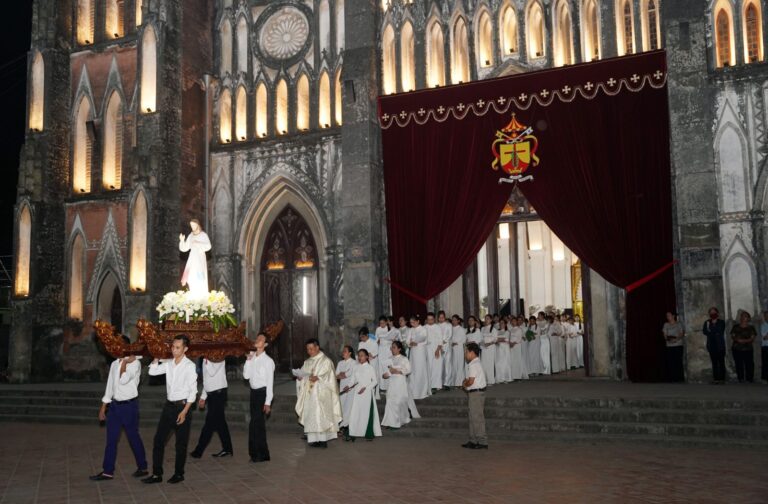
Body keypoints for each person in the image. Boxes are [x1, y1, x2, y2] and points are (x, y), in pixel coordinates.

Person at [143, 335, 197, 484]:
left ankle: (179, 474)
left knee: (180, 443)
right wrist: (156, 357)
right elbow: (152, 372)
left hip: (182, 406)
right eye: (173, 347)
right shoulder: (169, 363)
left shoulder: (189, 366)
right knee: (158, 440)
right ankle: (157, 474)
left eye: (177, 347)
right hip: (169, 406)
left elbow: (193, 392)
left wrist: (184, 412)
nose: (174, 350)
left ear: (185, 349)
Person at [89, 345, 147, 482]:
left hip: (129, 406)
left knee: (133, 437)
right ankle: (107, 471)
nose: (113, 349)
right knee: (111, 439)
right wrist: (104, 406)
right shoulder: (115, 363)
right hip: (114, 407)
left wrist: (125, 362)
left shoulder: (135, 363)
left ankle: (143, 467)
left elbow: (123, 379)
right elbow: (110, 386)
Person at [295, 339, 343, 447]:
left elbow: (330, 376)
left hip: (321, 394)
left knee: (321, 416)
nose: (309, 351)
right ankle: (314, 439)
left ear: (317, 347)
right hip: (309, 394)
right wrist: (300, 378)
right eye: (307, 349)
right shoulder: (307, 362)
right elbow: (303, 374)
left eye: (311, 349)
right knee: (311, 416)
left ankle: (323, 440)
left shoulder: (326, 361)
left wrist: (318, 378)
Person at [190, 357, 233, 459]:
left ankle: (198, 451)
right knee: (221, 424)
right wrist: (203, 397)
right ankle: (227, 449)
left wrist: (207, 360)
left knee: (209, 423)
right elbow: (207, 379)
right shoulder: (206, 359)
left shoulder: (219, 356)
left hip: (219, 394)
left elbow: (212, 372)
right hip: (211, 394)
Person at [243, 332, 274, 462]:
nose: (257, 340)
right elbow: (246, 376)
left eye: (260, 339)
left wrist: (268, 402)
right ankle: (263, 454)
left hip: (262, 393)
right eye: (257, 338)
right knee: (258, 424)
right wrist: (248, 360)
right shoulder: (251, 357)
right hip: (253, 393)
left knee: (255, 424)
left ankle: (256, 454)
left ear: (265, 344)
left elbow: (270, 383)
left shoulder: (268, 361)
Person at [347, 349, 382, 441]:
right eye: (359, 355)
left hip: (367, 393)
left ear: (367, 357)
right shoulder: (356, 367)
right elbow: (352, 380)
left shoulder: (370, 368)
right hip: (357, 393)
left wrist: (365, 388)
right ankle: (353, 433)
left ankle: (368, 433)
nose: (360, 357)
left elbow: (375, 381)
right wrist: (348, 386)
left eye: (362, 355)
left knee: (366, 413)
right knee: (355, 413)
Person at [382, 341, 416, 429]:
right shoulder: (389, 359)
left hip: (400, 382)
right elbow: (386, 373)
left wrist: (397, 371)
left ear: (399, 349)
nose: (392, 349)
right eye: (391, 347)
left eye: (394, 347)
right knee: (390, 401)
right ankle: (391, 422)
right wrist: (385, 375)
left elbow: (409, 370)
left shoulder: (404, 359)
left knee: (398, 402)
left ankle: (397, 422)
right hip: (392, 383)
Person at [462, 342, 488, 450]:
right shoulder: (476, 363)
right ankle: (473, 440)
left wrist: (464, 384)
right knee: (473, 417)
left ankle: (482, 441)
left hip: (476, 394)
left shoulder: (473, 364)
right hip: (476, 393)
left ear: (472, 352)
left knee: (477, 418)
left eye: (466, 352)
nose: (465, 354)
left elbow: (471, 381)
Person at [178, 219, 211, 297]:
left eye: (193, 225)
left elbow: (208, 246)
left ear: (197, 225)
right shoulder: (191, 235)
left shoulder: (203, 235)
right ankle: (193, 295)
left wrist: (198, 243)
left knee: (200, 278)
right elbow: (184, 248)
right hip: (192, 259)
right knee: (190, 277)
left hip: (199, 259)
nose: (192, 227)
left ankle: (200, 296)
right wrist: (182, 241)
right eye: (191, 225)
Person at [406, 315, 431, 400]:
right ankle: (413, 391)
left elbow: (425, 340)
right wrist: (410, 343)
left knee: (420, 369)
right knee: (413, 370)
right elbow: (407, 340)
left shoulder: (423, 329)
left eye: (413, 322)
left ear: (418, 321)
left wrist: (417, 343)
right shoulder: (410, 330)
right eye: (410, 322)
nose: (412, 324)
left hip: (420, 351)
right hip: (413, 352)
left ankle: (422, 391)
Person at [335, 345, 357, 438]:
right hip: (342, 387)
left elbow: (349, 374)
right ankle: (342, 425)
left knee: (348, 407)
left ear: (350, 353)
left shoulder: (354, 362)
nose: (343, 352)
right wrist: (342, 374)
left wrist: (343, 374)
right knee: (342, 405)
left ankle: (345, 426)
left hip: (350, 387)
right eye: (343, 351)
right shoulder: (340, 363)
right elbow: (336, 375)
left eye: (345, 351)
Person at [731, 311, 756, 383]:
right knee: (738, 363)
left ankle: (749, 378)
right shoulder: (735, 327)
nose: (743, 317)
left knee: (749, 364)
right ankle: (740, 378)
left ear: (748, 318)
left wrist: (744, 341)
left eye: (745, 316)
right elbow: (733, 336)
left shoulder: (751, 328)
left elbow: (752, 338)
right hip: (737, 348)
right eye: (742, 316)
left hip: (748, 348)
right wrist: (737, 340)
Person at [703, 307, 727, 384]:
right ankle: (716, 379)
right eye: (711, 312)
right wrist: (713, 331)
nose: (712, 313)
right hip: (711, 345)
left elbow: (720, 331)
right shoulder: (707, 322)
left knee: (721, 362)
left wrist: (711, 330)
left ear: (717, 313)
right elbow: (705, 331)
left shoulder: (721, 322)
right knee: (714, 363)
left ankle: (722, 379)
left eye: (714, 312)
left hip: (720, 345)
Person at [662, 312, 685, 382]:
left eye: (669, 315)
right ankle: (672, 378)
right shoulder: (666, 324)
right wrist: (668, 339)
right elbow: (664, 334)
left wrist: (676, 339)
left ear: (673, 316)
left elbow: (681, 334)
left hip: (678, 345)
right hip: (669, 345)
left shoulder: (678, 324)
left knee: (678, 361)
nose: (667, 317)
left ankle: (679, 378)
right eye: (667, 316)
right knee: (671, 362)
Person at [425, 312, 444, 394]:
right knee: (428, 367)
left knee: (437, 368)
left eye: (431, 319)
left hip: (436, 349)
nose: (430, 321)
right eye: (428, 319)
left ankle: (436, 385)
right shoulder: (424, 327)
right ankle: (429, 385)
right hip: (427, 349)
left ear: (434, 319)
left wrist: (437, 350)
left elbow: (440, 339)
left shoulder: (437, 327)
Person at [375, 316, 395, 393]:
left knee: (388, 366)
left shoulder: (390, 328)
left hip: (389, 350)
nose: (382, 325)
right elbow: (376, 340)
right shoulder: (378, 329)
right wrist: (378, 341)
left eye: (383, 323)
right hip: (381, 350)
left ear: (386, 322)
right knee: (381, 367)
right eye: (380, 323)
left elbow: (394, 338)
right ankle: (383, 387)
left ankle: (390, 386)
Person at [357, 327, 379, 397]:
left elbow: (375, 354)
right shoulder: (360, 344)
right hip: (363, 364)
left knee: (372, 379)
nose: (361, 339)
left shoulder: (373, 343)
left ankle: (372, 394)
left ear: (367, 335)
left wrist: (368, 355)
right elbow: (359, 353)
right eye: (360, 337)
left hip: (372, 363)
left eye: (362, 337)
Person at [508, 317, 528, 381]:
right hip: (511, 346)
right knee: (513, 360)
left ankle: (518, 376)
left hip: (517, 346)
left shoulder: (519, 329)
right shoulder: (511, 330)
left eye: (514, 321)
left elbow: (519, 338)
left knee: (517, 360)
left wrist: (513, 343)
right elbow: (509, 338)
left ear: (516, 322)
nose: (513, 322)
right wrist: (510, 343)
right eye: (512, 321)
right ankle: (513, 375)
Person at [437, 311, 453, 390]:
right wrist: (439, 343)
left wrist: (443, 341)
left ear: (445, 317)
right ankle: (439, 383)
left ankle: (447, 383)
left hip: (446, 346)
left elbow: (449, 335)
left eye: (442, 317)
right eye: (440, 317)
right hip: (438, 347)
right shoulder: (436, 326)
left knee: (447, 365)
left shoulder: (448, 325)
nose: (441, 319)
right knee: (439, 366)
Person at [450, 315, 466, 387]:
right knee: (453, 365)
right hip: (452, 349)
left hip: (459, 348)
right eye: (452, 320)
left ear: (458, 321)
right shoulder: (451, 329)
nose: (453, 321)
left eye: (455, 320)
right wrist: (451, 343)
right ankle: (454, 382)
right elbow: (449, 338)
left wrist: (457, 343)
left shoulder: (461, 329)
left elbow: (464, 339)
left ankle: (459, 382)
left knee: (459, 365)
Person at [480, 315, 497, 385]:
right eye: (485, 319)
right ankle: (484, 380)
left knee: (490, 364)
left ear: (491, 320)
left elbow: (495, 339)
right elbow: (480, 338)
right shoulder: (482, 328)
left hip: (491, 348)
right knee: (483, 364)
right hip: (484, 348)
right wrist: (482, 343)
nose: (486, 320)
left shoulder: (493, 329)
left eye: (487, 319)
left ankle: (491, 380)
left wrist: (489, 343)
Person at [494, 318, 512, 383]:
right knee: (498, 363)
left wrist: (498, 339)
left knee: (505, 363)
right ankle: (499, 378)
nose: (501, 324)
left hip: (505, 348)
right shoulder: (497, 331)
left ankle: (506, 378)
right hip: (498, 348)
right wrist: (498, 340)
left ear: (505, 324)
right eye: (500, 323)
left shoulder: (507, 331)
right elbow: (495, 339)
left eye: (502, 323)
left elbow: (505, 339)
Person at [761, 311, 768, 384]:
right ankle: (765, 378)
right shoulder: (763, 326)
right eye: (766, 316)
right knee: (765, 363)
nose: (767, 317)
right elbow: (765, 338)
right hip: (766, 347)